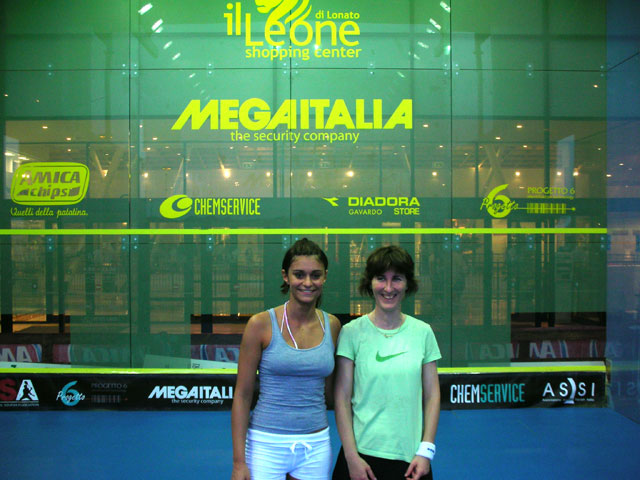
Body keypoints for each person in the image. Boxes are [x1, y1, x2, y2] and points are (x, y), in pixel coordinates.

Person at [231, 238, 342, 480]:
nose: (307, 282)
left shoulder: (333, 326)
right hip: (265, 445)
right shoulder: (260, 325)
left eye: (315, 275)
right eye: (299, 274)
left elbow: (332, 392)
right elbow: (242, 395)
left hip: (316, 445)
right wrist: (239, 463)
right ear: (286, 276)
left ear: (324, 277)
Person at [333, 245, 441, 480]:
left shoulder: (423, 332)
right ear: (370, 282)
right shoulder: (351, 332)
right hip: (361, 458)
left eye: (397, 279)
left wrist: (426, 451)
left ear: (407, 284)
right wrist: (351, 457)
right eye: (381, 278)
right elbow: (341, 398)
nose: (389, 288)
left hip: (411, 461)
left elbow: (432, 396)